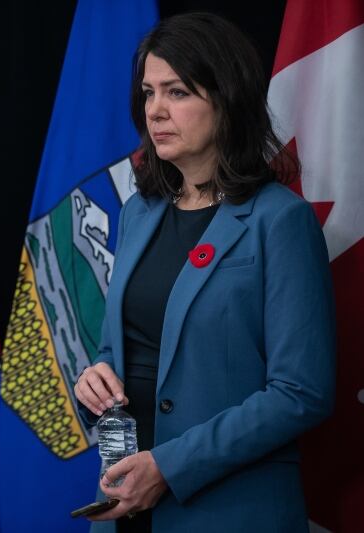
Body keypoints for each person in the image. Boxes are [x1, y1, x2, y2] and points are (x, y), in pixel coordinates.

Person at [74, 12, 335, 533]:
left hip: (230, 511)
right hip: (124, 504)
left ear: (226, 99)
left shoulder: (280, 220)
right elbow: (119, 350)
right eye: (148, 94)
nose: (156, 111)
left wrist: (168, 468)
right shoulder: (139, 212)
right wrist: (94, 384)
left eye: (177, 92)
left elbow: (301, 393)